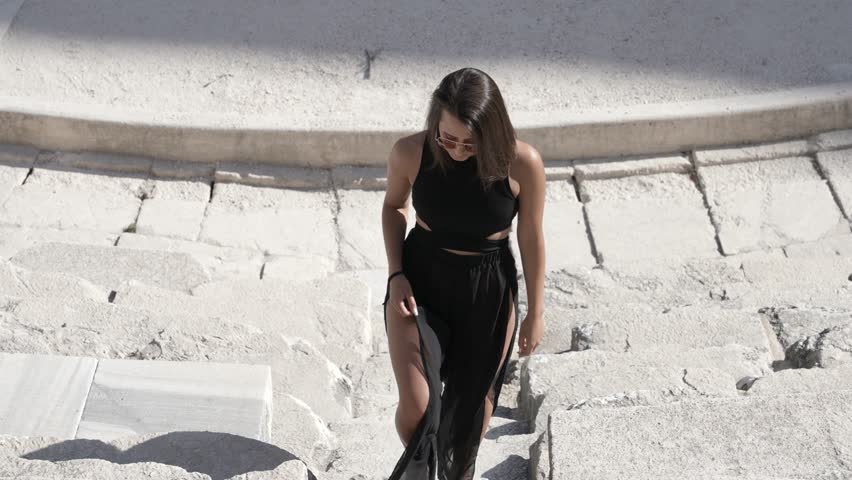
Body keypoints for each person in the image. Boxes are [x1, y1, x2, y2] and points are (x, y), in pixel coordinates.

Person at [380, 67, 545, 480]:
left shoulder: (522, 162)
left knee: (463, 437)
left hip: (488, 292)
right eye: (446, 137)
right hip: (419, 281)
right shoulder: (410, 152)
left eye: (469, 143)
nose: (455, 150)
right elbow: (393, 208)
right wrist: (395, 273)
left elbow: (531, 238)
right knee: (419, 414)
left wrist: (536, 311)